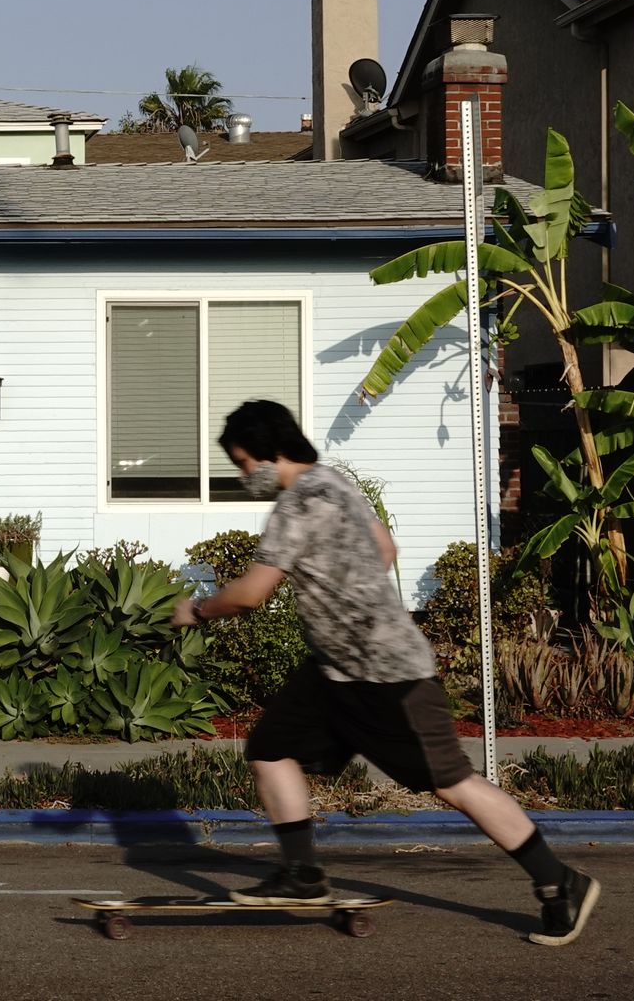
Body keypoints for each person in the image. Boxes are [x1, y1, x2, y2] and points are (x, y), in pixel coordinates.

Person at [170, 399, 599, 946]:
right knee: (270, 747)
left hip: (386, 676)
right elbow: (385, 548)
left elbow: (252, 594)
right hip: (335, 669)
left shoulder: (295, 507)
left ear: (270, 454)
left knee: (453, 783)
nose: (243, 476)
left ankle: (559, 882)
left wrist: (197, 610)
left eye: (243, 462)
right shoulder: (336, 483)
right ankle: (302, 875)